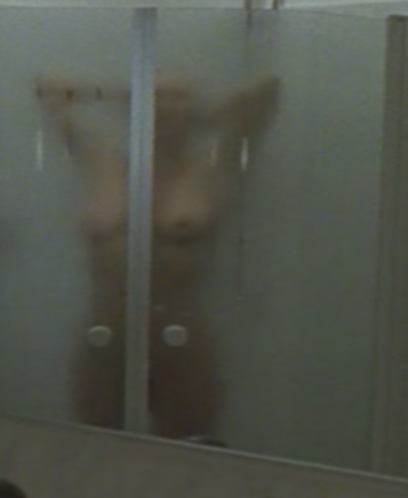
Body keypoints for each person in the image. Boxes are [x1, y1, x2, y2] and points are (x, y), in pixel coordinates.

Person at [36, 71, 280, 442]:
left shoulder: (212, 167)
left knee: (189, 453)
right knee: (94, 450)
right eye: (154, 100)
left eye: (177, 99)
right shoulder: (103, 163)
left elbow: (267, 90)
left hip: (179, 338)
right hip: (105, 335)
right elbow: (45, 89)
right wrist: (121, 95)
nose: (165, 108)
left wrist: (204, 116)